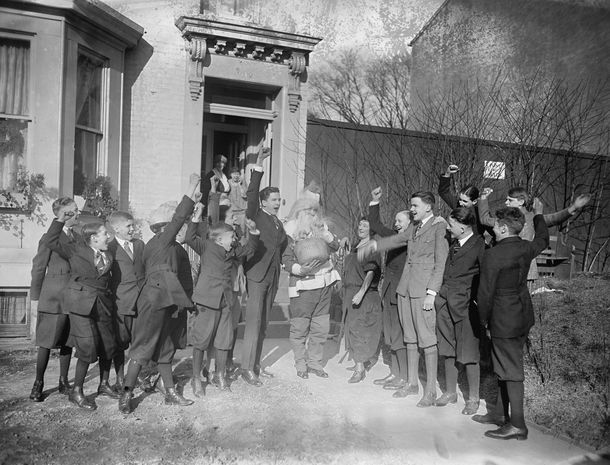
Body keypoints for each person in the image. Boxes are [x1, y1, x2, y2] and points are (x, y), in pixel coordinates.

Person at [118, 173, 200, 414]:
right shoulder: (162, 241)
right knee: (142, 349)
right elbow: (180, 216)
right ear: (163, 228)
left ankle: (170, 392)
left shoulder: (174, 248)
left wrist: (186, 304)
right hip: (154, 303)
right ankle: (126, 394)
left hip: (169, 303)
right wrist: (191, 187)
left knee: (166, 348)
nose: (179, 227)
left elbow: (181, 279)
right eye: (174, 225)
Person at [359, 191, 449, 406]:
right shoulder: (414, 228)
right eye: (411, 206)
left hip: (422, 292)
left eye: (415, 206)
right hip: (405, 289)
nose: (412, 209)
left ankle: (430, 392)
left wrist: (431, 293)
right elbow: (397, 239)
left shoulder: (439, 227)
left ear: (428, 206)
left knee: (427, 340)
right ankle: (411, 383)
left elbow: (440, 262)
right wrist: (374, 245)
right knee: (409, 337)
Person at [475, 201, 549, 440]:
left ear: (504, 228)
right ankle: (500, 416)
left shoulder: (492, 255)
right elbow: (544, 240)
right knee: (505, 366)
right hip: (522, 316)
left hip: (502, 318)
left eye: (496, 225)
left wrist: (484, 322)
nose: (494, 228)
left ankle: (517, 424)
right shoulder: (526, 248)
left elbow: (484, 294)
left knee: (511, 370)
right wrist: (538, 217)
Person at [43, 213, 117, 410]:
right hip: (80, 305)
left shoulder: (108, 254)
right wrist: (59, 219)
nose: (108, 237)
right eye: (104, 234)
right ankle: (76, 391)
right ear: (93, 238)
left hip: (102, 304)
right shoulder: (75, 250)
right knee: (87, 346)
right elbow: (49, 240)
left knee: (108, 345)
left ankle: (103, 384)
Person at [186, 202, 260, 395]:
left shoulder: (232, 252)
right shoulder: (207, 246)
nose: (234, 239)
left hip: (226, 301)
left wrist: (253, 232)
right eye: (231, 236)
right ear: (218, 239)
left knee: (223, 341)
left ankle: (219, 375)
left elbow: (250, 250)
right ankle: (196, 379)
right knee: (201, 341)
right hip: (207, 301)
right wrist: (196, 216)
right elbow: (189, 237)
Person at [240, 147, 287, 386]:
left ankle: (256, 364)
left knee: (264, 323)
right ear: (264, 202)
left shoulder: (278, 222)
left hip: (273, 275)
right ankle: (246, 367)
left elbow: (282, 246)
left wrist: (285, 262)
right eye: (275, 200)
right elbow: (250, 194)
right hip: (257, 275)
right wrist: (258, 164)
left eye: (279, 200)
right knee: (253, 323)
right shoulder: (256, 214)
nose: (278, 203)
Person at [282, 197, 341, 379]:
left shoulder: (322, 229)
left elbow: (335, 245)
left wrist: (324, 233)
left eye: (315, 211)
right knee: (300, 328)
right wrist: (301, 269)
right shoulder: (290, 231)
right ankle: (301, 363)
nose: (313, 214)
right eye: (309, 211)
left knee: (320, 328)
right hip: (303, 287)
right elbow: (285, 260)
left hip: (324, 285)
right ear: (300, 212)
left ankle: (315, 363)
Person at [435, 206, 485, 414]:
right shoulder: (454, 243)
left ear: (463, 227)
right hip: (445, 302)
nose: (448, 227)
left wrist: (476, 302)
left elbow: (485, 277)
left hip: (465, 305)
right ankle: (450, 392)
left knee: (469, 352)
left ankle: (473, 398)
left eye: (451, 224)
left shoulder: (480, 245)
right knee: (447, 348)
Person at [478, 187, 590, 280]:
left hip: (525, 271)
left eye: (510, 200)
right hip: (504, 267)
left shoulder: (532, 218)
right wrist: (483, 198)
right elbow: (484, 220)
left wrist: (573, 207)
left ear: (521, 202)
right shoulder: (503, 219)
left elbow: (554, 218)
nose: (506, 203)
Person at [29, 197, 79, 402]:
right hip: (53, 298)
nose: (76, 214)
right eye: (72, 212)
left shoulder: (78, 237)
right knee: (46, 342)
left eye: (76, 210)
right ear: (61, 215)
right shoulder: (49, 237)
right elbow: (39, 267)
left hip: (73, 297)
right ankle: (38, 383)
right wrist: (35, 298)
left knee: (68, 341)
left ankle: (63, 381)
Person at [367, 187, 410, 394]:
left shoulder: (412, 240)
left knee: (400, 335)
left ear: (410, 224)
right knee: (392, 335)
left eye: (400, 221)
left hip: (402, 292)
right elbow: (375, 225)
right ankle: (395, 372)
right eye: (395, 220)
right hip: (389, 291)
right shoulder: (394, 236)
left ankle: (404, 376)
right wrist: (375, 201)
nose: (396, 224)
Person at [106, 211, 145, 390]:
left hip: (141, 303)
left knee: (140, 341)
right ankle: (120, 378)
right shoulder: (109, 248)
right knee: (120, 343)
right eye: (128, 226)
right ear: (116, 228)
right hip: (121, 303)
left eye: (133, 225)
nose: (132, 229)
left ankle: (136, 375)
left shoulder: (139, 245)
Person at [343, 217, 382, 383]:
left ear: (371, 230)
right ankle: (359, 361)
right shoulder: (355, 247)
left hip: (364, 294)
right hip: (350, 292)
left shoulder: (371, 247)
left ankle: (360, 369)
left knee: (359, 329)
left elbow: (371, 272)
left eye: (365, 225)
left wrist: (361, 292)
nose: (361, 227)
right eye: (359, 224)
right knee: (351, 328)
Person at [438, 164, 495, 238]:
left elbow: (494, 232)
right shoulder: (457, 205)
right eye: (460, 199)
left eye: (465, 201)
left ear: (474, 201)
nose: (461, 203)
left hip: (475, 245)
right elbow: (444, 192)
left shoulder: (480, 212)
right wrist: (447, 174)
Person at [227, 165, 248, 231]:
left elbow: (245, 195)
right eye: (234, 174)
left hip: (242, 211)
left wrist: (240, 185)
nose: (236, 176)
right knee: (231, 230)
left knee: (242, 230)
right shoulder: (228, 182)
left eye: (237, 174)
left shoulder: (242, 183)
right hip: (231, 211)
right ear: (230, 174)